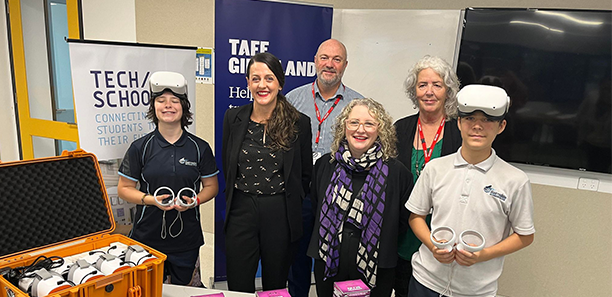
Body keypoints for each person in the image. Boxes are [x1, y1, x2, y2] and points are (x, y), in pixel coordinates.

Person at [406, 84, 535, 297]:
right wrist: (432, 246)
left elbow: (525, 235)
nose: (477, 126)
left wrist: (483, 255)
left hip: (475, 289)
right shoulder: (436, 168)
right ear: (459, 122)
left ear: (501, 126)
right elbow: (416, 216)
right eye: (470, 119)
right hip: (425, 281)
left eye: (487, 120)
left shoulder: (515, 180)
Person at [222, 52, 313, 293]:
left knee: (276, 284)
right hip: (241, 209)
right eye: (256, 78)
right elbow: (228, 164)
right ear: (248, 82)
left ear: (280, 83)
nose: (262, 85)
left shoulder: (299, 123)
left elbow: (304, 175)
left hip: (279, 212)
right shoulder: (233, 118)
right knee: (238, 284)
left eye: (269, 78)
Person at [117, 71, 219, 285]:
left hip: (187, 238)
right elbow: (124, 188)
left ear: (184, 107)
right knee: (149, 289)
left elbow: (211, 185)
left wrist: (196, 201)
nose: (168, 106)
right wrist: (150, 200)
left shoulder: (199, 148)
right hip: (147, 237)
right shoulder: (140, 148)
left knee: (184, 289)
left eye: (174, 101)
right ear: (154, 107)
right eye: (161, 100)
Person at [307, 98, 413, 297]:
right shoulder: (325, 165)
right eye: (354, 122)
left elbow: (401, 221)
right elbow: (316, 206)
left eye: (369, 123)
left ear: (380, 129)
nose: (360, 130)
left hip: (376, 265)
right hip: (329, 260)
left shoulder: (398, 173)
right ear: (343, 127)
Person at [286, 38, 363, 297]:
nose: (329, 64)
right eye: (324, 58)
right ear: (315, 61)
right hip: (300, 194)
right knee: (297, 258)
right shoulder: (292, 100)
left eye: (337, 59)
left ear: (345, 65)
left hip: (337, 197)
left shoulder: (358, 106)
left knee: (330, 259)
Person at [393, 55, 462, 297]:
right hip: (403, 230)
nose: (429, 92)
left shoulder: (460, 131)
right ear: (415, 91)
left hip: (443, 231)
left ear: (448, 90)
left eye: (437, 85)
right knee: (403, 289)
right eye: (422, 85)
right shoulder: (399, 129)